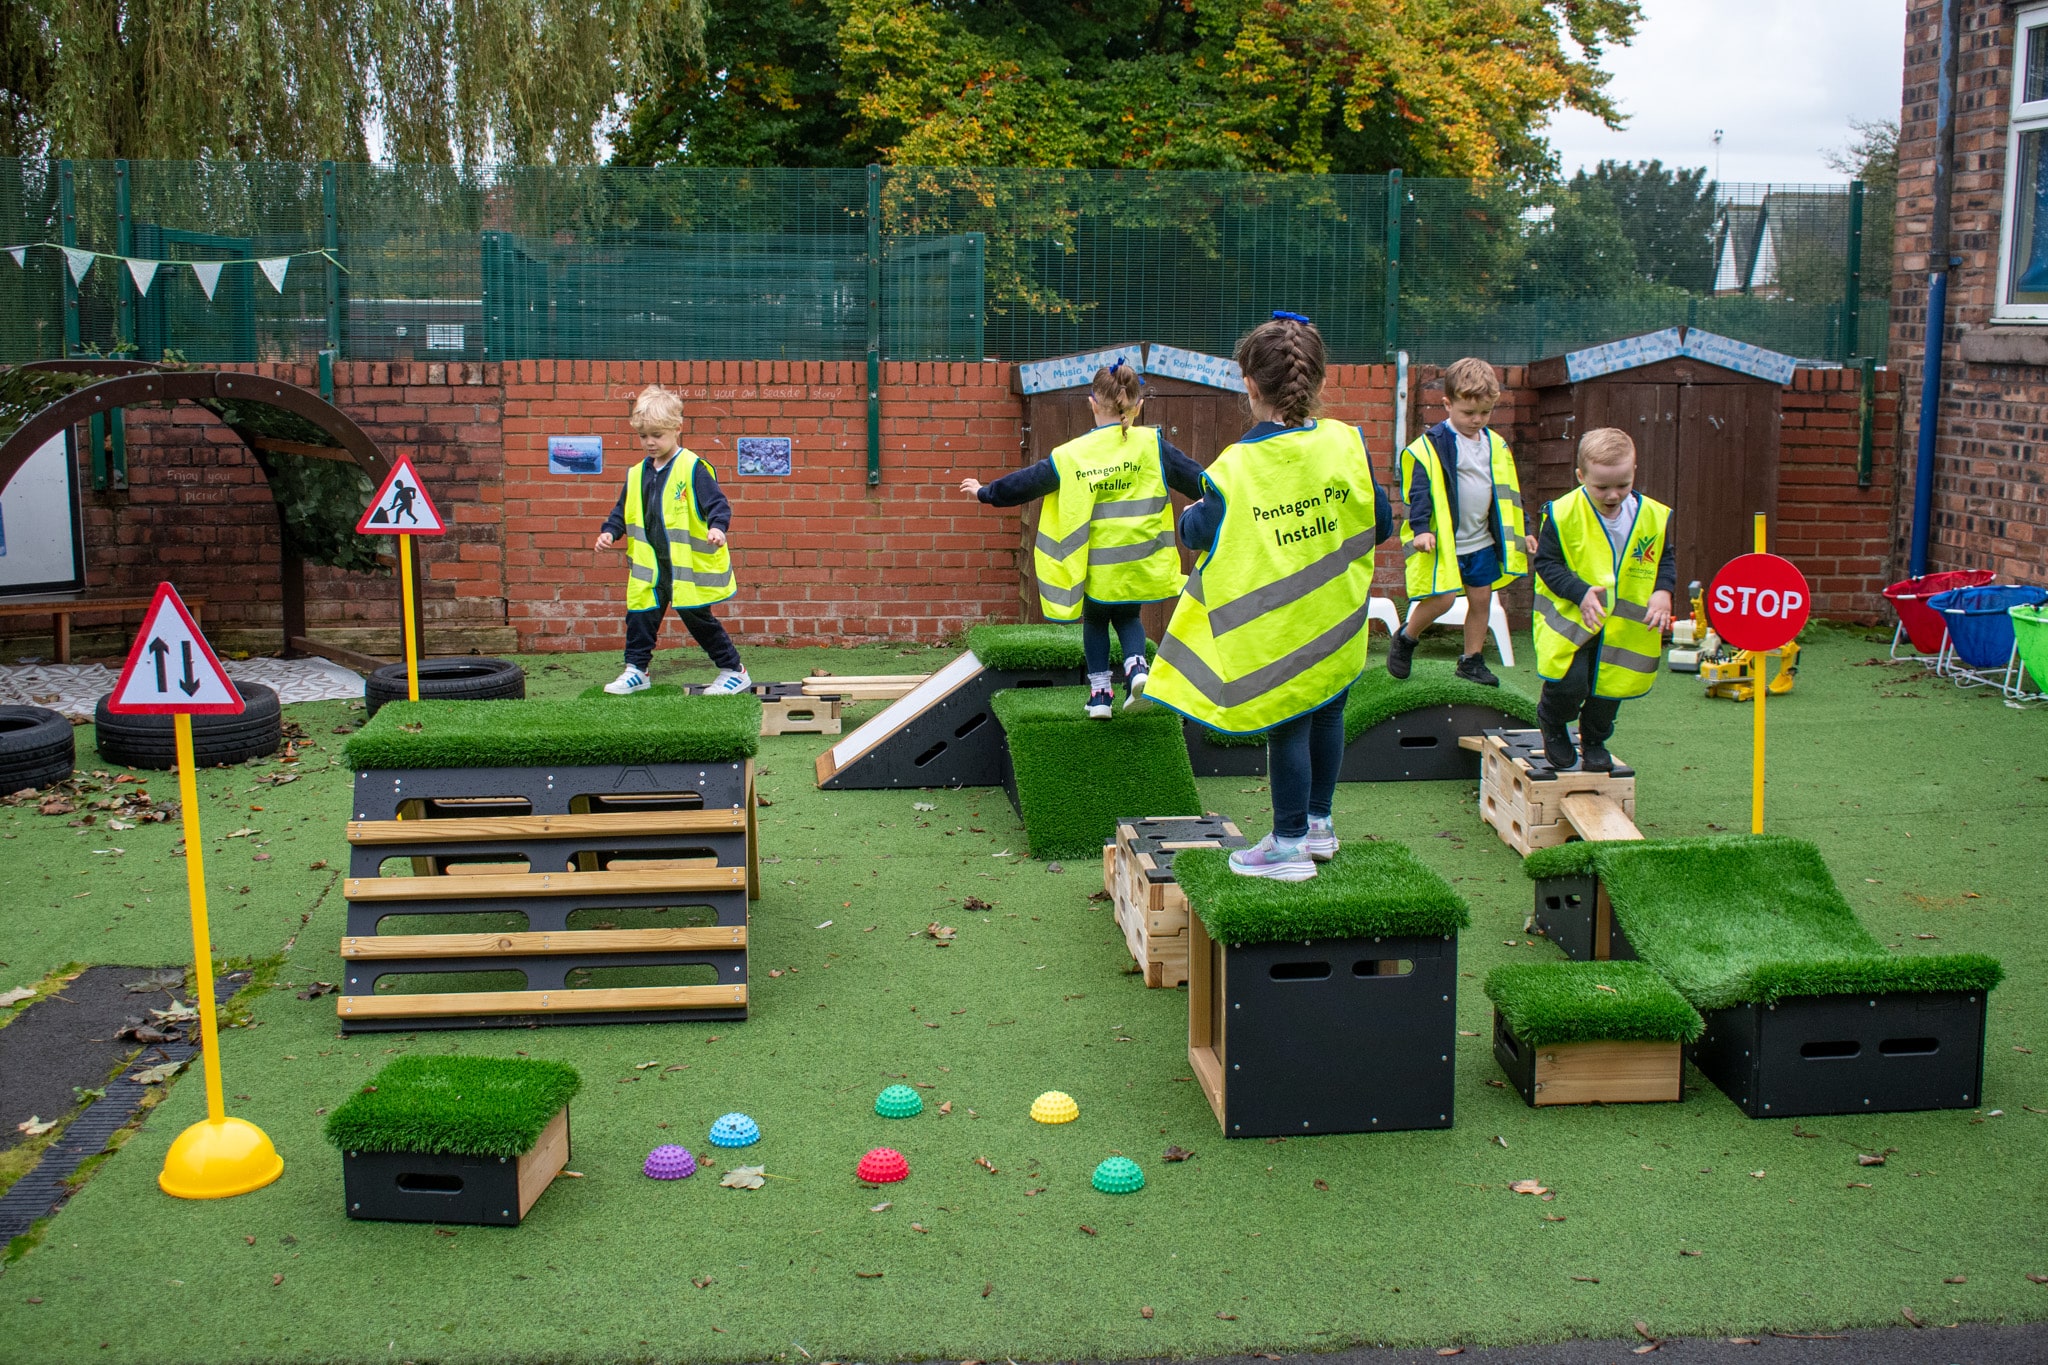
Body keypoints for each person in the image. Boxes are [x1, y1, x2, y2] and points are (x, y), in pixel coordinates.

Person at [1146, 312, 1393, 881]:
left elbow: (1203, 532)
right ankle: (1318, 826)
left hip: (1282, 632)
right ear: (1320, 382)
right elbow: (1379, 522)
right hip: (1338, 618)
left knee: (1288, 725)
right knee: (1328, 712)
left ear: (1249, 385)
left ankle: (1286, 846)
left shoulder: (1236, 468)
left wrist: (1186, 525)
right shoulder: (1346, 444)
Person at [960, 358, 1206, 718]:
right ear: (1139, 405)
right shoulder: (1152, 445)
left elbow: (1028, 483)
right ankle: (1137, 668)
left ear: (1091, 403)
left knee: (1095, 621)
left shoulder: (1072, 455)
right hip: (1140, 562)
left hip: (1097, 566)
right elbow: (1197, 478)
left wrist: (986, 492)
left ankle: (1100, 695)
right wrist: (1214, 493)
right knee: (1128, 617)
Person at [1531, 427, 1676, 772]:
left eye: (1622, 485)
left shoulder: (1652, 516)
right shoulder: (1562, 513)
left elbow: (1664, 559)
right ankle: (1553, 724)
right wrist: (1580, 593)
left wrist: (1662, 592)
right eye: (1602, 487)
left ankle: (1595, 739)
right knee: (1570, 684)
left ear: (1634, 472)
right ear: (1581, 476)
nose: (1613, 495)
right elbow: (1546, 564)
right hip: (1573, 621)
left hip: (1623, 628)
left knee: (1609, 688)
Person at [1386, 357, 1535, 687]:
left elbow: (1509, 492)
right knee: (1443, 599)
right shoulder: (1431, 447)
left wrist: (1523, 529)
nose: (1477, 420)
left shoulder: (1495, 445)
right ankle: (1407, 638)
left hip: (1481, 540)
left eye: (1485, 413)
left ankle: (1471, 660)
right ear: (1447, 404)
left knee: (1482, 600)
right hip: (1446, 543)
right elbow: (1419, 492)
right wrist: (1422, 530)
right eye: (1469, 413)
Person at [594, 384, 752, 696]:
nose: (650, 442)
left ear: (677, 429)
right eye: (643, 436)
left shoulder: (692, 467)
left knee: (699, 622)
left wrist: (718, 528)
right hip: (650, 570)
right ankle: (637, 670)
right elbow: (622, 510)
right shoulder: (637, 473)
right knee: (639, 619)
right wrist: (610, 532)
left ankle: (734, 670)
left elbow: (718, 505)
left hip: (684, 570)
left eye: (657, 435)